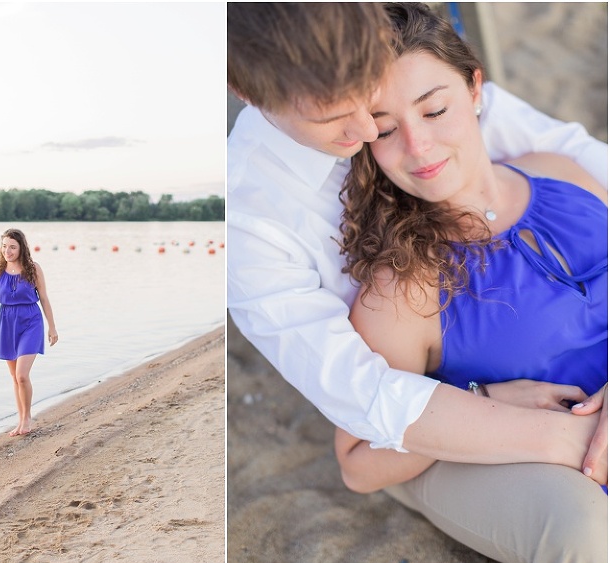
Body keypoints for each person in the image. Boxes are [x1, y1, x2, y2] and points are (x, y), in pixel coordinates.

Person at [227, 2, 607, 480]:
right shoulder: (250, 224)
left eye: (367, 97)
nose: (368, 129)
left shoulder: (416, 75)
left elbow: (575, 157)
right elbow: (364, 401)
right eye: (337, 116)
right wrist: (572, 438)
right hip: (419, 407)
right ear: (244, 94)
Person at [332, 3, 606, 563]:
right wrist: (483, 398)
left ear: (475, 88)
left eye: (434, 109)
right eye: (385, 129)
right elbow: (357, 461)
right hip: (552, 459)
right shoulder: (403, 286)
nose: (419, 146)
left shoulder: (559, 173)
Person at [0, 228, 58, 437]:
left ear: (21, 248)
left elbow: (43, 298)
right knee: (15, 378)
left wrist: (52, 326)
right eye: (4, 246)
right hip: (6, 323)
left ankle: (27, 418)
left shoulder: (33, 268)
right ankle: (21, 418)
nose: (8, 251)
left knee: (22, 375)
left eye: (12, 247)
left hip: (31, 322)